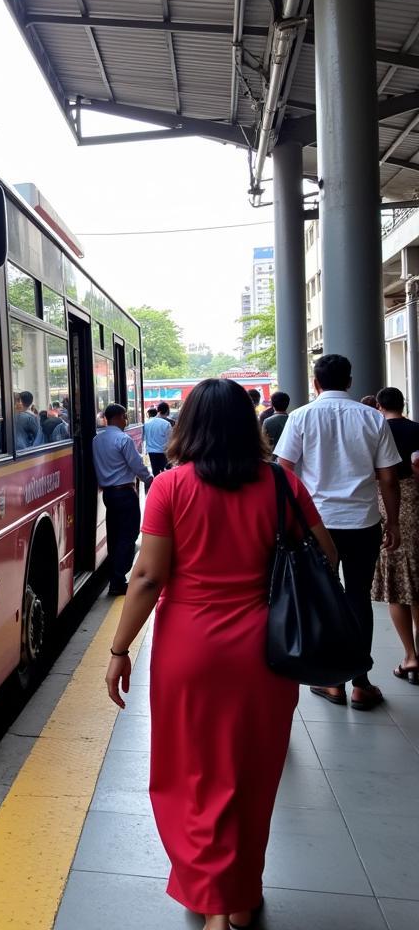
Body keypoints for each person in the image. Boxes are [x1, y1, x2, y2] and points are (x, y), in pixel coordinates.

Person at [105, 379, 336, 930]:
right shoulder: (281, 483)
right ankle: (237, 896)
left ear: (188, 426)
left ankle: (210, 899)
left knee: (193, 772)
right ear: (248, 423)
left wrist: (119, 649)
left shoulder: (170, 486)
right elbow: (325, 554)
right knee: (252, 773)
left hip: (191, 648)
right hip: (267, 650)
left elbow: (146, 577)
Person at [273, 353, 402, 710]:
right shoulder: (373, 418)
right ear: (349, 381)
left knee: (321, 597)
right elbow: (389, 478)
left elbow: (284, 470)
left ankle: (331, 682)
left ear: (316, 383)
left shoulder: (300, 417)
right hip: (362, 522)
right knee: (358, 597)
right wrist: (392, 521)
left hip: (315, 525)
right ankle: (361, 683)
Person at [371, 386, 419, 683]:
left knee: (398, 587)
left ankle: (411, 656)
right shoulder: (417, 429)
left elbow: (382, 477)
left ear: (378, 405)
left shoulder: (375, 431)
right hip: (417, 505)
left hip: (389, 510)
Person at [92, 403, 152, 596]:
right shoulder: (123, 439)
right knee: (129, 534)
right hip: (125, 494)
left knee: (115, 535)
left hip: (109, 495)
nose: (126, 420)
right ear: (117, 417)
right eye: (125, 416)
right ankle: (118, 579)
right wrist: (150, 479)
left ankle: (115, 577)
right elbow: (136, 464)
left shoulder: (97, 440)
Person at [143, 403, 172, 475]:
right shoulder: (166, 424)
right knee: (166, 474)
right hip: (163, 453)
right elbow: (170, 440)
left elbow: (144, 438)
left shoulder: (147, 423)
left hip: (151, 452)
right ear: (167, 411)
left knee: (155, 473)